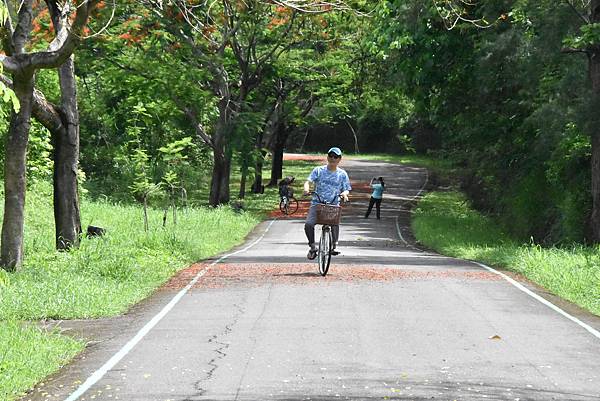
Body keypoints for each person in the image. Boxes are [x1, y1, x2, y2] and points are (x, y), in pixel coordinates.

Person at [303, 147, 351, 260]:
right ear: (327, 157)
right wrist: (306, 189)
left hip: (333, 204)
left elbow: (346, 189)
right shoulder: (318, 170)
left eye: (336, 157)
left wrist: (344, 194)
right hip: (317, 203)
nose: (333, 158)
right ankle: (312, 246)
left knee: (335, 223)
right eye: (331, 156)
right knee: (309, 224)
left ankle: (334, 245)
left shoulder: (342, 174)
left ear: (339, 159)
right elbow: (308, 181)